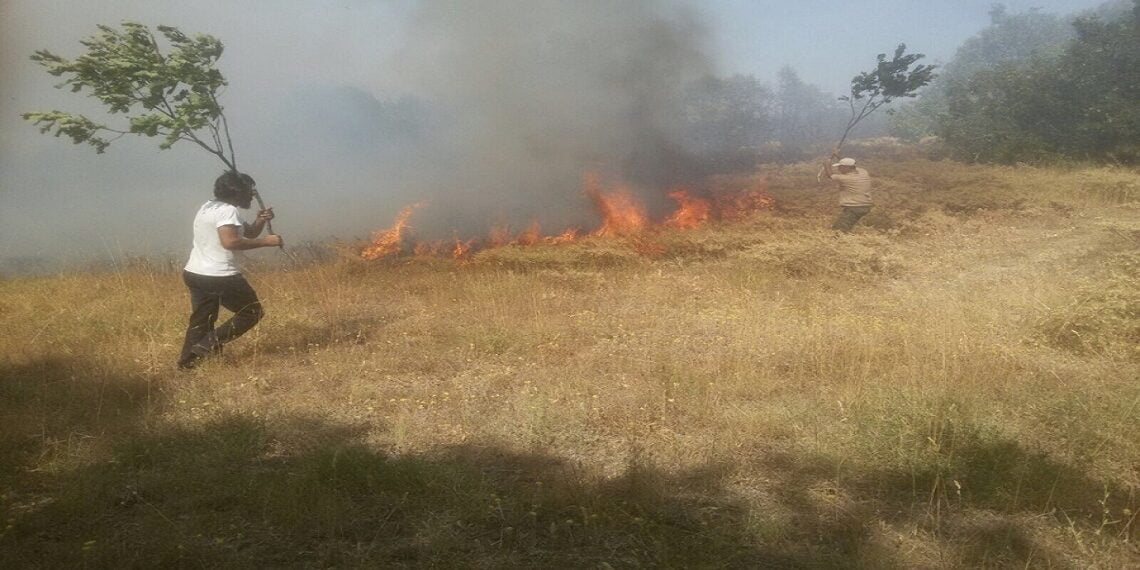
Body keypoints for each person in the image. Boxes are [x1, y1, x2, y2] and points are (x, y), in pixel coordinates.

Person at [178, 171, 283, 369]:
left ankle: (187, 363)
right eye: (250, 191)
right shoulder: (228, 211)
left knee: (202, 320)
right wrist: (267, 241)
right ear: (237, 191)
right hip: (220, 276)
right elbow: (230, 242)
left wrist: (260, 220)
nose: (252, 195)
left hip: (195, 273)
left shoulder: (208, 207)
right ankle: (206, 346)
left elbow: (249, 232)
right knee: (252, 312)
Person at [821, 150, 873, 232]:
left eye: (840, 167)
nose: (838, 168)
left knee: (838, 230)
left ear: (846, 168)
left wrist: (826, 165)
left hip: (854, 207)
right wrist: (838, 156)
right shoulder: (863, 172)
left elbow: (830, 175)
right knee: (844, 227)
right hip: (865, 206)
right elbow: (850, 165)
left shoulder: (845, 178)